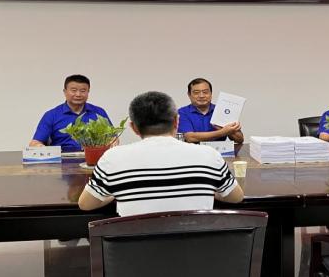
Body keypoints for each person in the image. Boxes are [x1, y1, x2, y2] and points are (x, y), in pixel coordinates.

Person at [78, 91, 244, 214]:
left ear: (134, 128)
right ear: (176, 122)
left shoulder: (113, 158)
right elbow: (236, 197)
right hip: (196, 248)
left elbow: (86, 204)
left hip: (137, 250)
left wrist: (117, 191)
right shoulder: (209, 155)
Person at [30, 74, 112, 152]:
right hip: (62, 158)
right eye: (74, 90)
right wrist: (42, 149)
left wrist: (112, 142)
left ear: (88, 92)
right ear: (65, 92)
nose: (78, 94)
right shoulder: (51, 115)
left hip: (93, 157)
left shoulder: (99, 112)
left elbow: (112, 137)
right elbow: (35, 143)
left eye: (83, 91)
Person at [177, 77, 244, 143]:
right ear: (189, 95)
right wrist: (222, 132)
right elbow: (190, 137)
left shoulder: (221, 110)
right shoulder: (182, 112)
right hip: (193, 150)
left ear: (211, 94)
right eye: (196, 92)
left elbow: (239, 139)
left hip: (218, 150)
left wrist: (229, 131)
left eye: (205, 92)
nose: (201, 96)